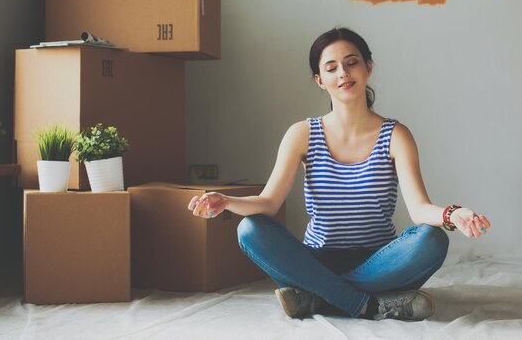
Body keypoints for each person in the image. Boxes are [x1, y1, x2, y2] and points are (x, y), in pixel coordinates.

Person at [188, 27, 491, 321]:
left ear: (368, 68)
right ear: (320, 80)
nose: (343, 73)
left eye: (351, 63)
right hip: (316, 261)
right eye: (331, 68)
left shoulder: (396, 135)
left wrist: (453, 214)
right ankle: (368, 305)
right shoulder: (302, 134)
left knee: (432, 240)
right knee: (249, 229)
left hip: (380, 263)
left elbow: (419, 210)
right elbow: (268, 203)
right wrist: (226, 201)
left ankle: (319, 297)